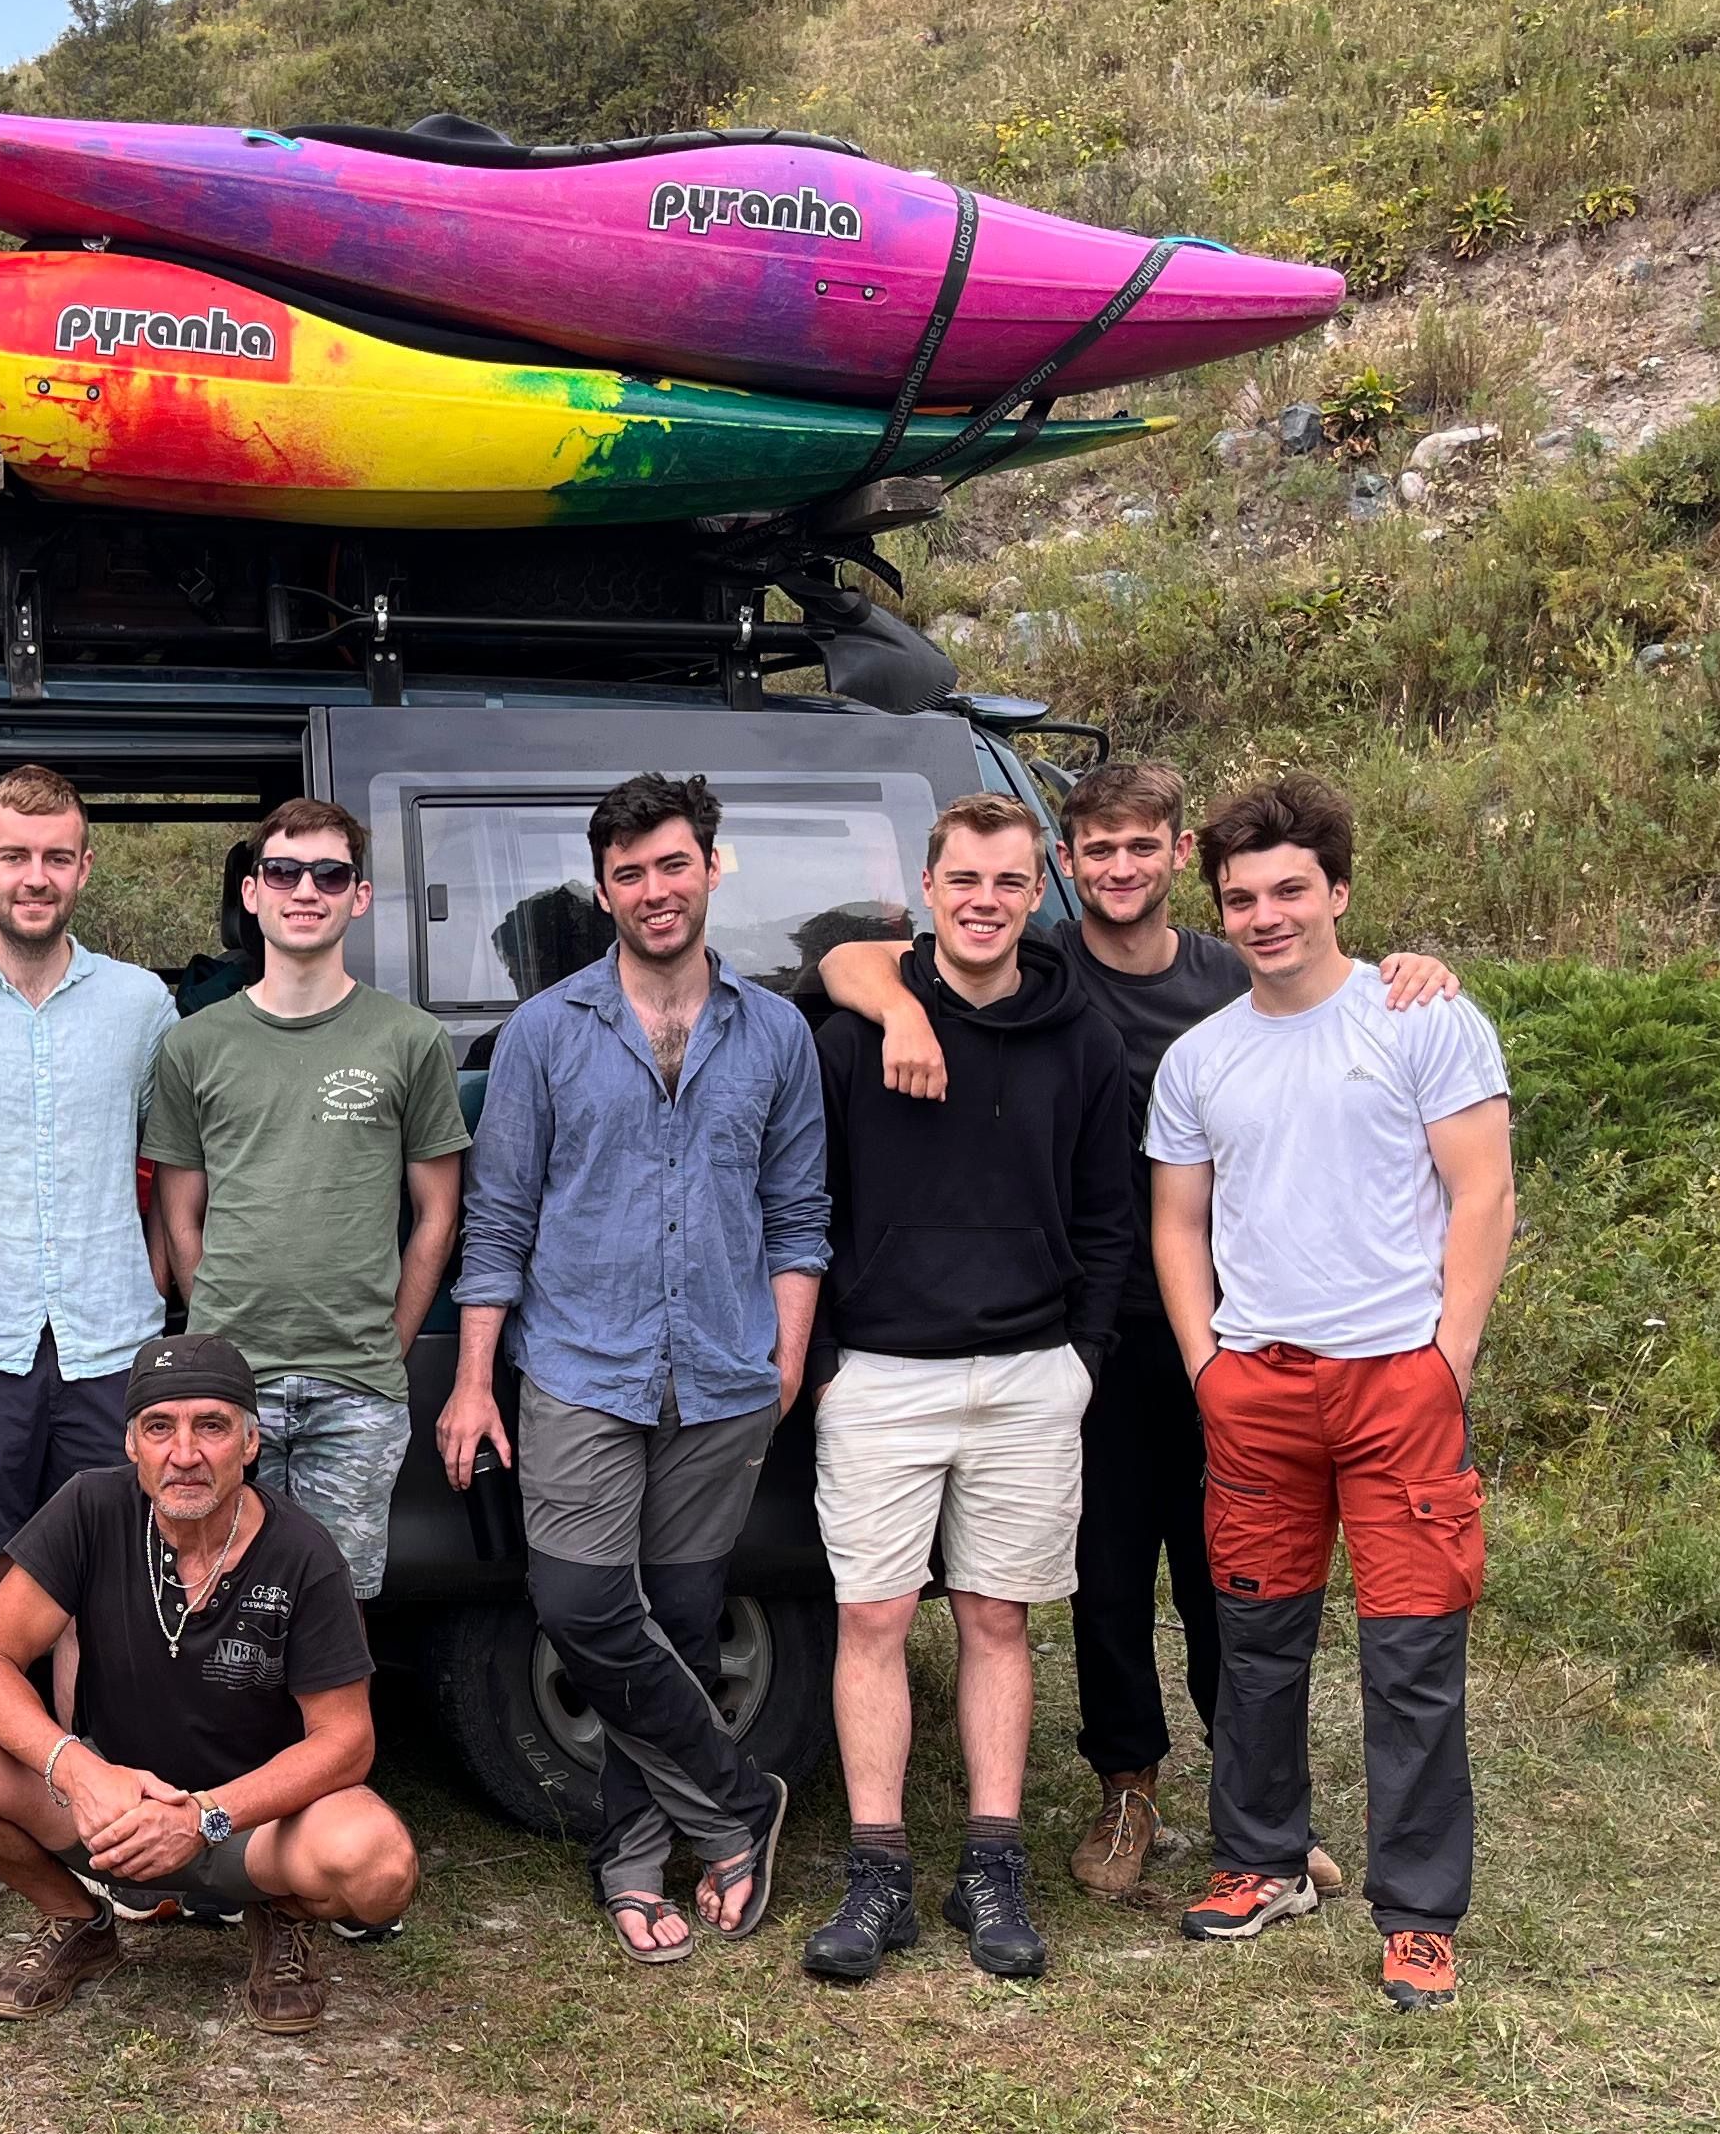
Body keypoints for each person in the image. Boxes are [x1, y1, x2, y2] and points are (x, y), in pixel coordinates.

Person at [811, 758, 1458, 1900]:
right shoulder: (1047, 972)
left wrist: (1415, 972)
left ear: (1177, 858)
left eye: (1141, 847)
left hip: (1235, 1321)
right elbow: (856, 959)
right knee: (1105, 1575)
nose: (1118, 868)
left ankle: (1252, 1813)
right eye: (1094, 849)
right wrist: (902, 999)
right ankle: (1127, 1789)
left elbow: (1329, 990)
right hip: (1098, 1320)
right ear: (1067, 866)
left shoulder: (1230, 969)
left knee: (1233, 1580)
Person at [442, 770, 827, 1967]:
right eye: (628, 874)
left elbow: (798, 1212)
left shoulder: (777, 1033)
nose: (653, 891)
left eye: (672, 865)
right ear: (600, 889)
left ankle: (632, 1860)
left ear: (712, 868)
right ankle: (736, 1799)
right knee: (580, 1607)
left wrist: (787, 1358)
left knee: (686, 1620)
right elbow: (497, 1220)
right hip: (578, 1367)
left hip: (723, 1370)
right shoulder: (548, 1034)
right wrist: (470, 1379)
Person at [1146, 771, 1513, 2012]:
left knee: (1413, 1653)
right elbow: (1179, 1225)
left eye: (1290, 889)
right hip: (1258, 1389)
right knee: (1255, 1644)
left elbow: (1484, 1194)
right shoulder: (1200, 1058)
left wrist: (1445, 1361)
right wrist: (1208, 1366)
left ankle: (1417, 1911)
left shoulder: (1421, 1019)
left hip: (1398, 1387)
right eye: (1241, 896)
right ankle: (1261, 1861)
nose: (1265, 914)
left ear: (1338, 893)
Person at [797, 795, 1136, 1986]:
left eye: (1007, 881)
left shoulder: (1081, 1040)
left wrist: (1080, 1359)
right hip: (883, 1372)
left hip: (1031, 1374)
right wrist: (831, 1365)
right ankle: (876, 1872)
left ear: (1036, 890)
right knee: (873, 1620)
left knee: (997, 1619)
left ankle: (993, 1867)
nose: (985, 901)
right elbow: (805, 1206)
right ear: (926, 891)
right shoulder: (850, 1036)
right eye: (964, 881)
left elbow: (1108, 1216)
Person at [0, 1335, 423, 2035]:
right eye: (159, 1428)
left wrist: (201, 1816)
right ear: (131, 1444)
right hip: (106, 1807)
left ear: (250, 1440)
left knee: (379, 1864)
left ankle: (278, 1917)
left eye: (211, 1425)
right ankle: (78, 1921)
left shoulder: (302, 1552)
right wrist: (80, 1771)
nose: (184, 1453)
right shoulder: (90, 1507)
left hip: (250, 1826)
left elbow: (347, 1741)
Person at [0, 764, 177, 1938]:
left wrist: (168, 1297)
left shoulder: (143, 1003)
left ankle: (97, 1818)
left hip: (111, 1331)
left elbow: (174, 1168)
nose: (36, 875)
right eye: (16, 855)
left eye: (58, 856)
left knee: (102, 1594)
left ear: (85, 868)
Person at [143, 798, 467, 1607]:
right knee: (212, 1604)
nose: (305, 890)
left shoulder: (409, 1038)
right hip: (226, 1390)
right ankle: (235, 1745)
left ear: (359, 896)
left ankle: (332, 1743)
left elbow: (437, 1214)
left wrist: (387, 1347)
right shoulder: (195, 1044)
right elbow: (179, 1216)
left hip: (355, 1391)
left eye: (330, 874)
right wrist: (213, 1342)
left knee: (333, 1616)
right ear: (252, 892)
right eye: (284, 871)